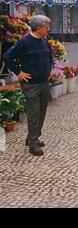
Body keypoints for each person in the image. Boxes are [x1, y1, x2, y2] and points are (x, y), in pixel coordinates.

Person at [3, 15, 53, 156]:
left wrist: (49, 68)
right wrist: (19, 73)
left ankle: (32, 137)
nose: (48, 29)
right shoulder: (24, 42)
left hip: (43, 82)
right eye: (46, 26)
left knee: (41, 111)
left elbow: (50, 55)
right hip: (31, 84)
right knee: (33, 113)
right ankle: (33, 144)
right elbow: (7, 57)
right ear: (38, 28)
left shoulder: (44, 40)